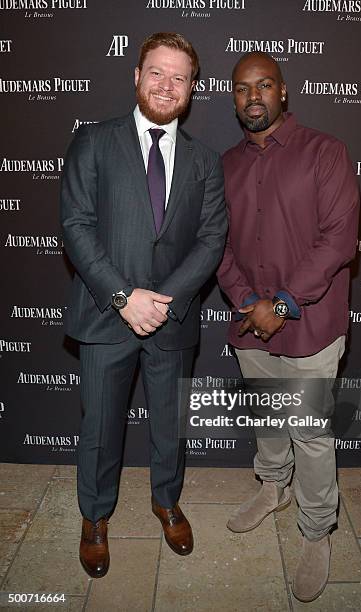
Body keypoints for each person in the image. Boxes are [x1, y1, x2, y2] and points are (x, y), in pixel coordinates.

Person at [60, 32, 227, 578]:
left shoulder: (205, 160)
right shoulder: (93, 141)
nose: (167, 85)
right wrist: (122, 296)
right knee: (100, 427)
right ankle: (95, 517)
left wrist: (163, 302)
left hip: (172, 321)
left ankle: (166, 501)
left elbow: (211, 240)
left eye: (180, 77)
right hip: (106, 316)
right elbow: (77, 227)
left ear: (192, 90)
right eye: (157, 72)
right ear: (136, 75)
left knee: (168, 428)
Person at [217, 52, 359, 603]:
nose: (254, 96)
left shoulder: (325, 152)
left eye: (264, 85)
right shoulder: (224, 164)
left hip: (310, 322)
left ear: (284, 91)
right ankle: (273, 485)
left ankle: (318, 528)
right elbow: (219, 246)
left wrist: (280, 304)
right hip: (250, 317)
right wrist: (248, 301)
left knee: (311, 434)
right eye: (242, 89)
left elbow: (337, 243)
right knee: (268, 414)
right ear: (234, 99)